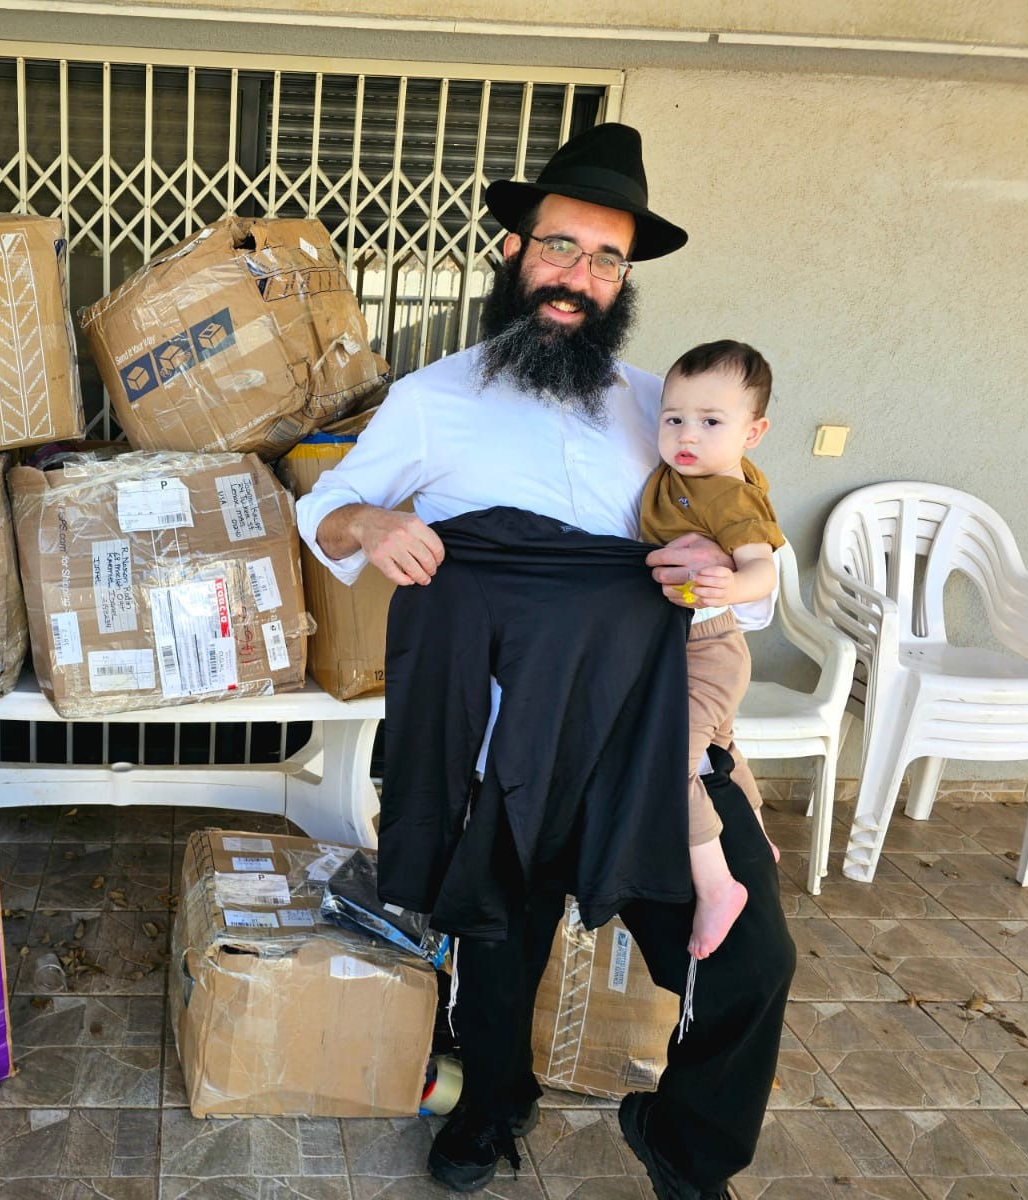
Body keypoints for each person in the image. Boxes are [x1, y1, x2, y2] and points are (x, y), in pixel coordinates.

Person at [296, 123, 797, 1200]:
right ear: (513, 251)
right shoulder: (435, 398)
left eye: (604, 260)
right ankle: (493, 1102)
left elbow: (745, 550)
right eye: (560, 248)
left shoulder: (666, 405)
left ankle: (683, 1141)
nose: (578, 277)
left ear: (624, 280)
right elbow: (321, 512)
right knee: (499, 943)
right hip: (497, 731)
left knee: (750, 957)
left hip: (646, 734)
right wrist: (375, 524)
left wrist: (721, 566)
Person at [639, 340, 786, 961]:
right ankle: (757, 834)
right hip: (690, 643)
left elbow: (764, 570)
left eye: (710, 422)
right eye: (673, 418)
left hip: (706, 647)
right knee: (720, 744)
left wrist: (733, 581)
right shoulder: (692, 477)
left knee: (670, 759)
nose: (686, 435)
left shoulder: (729, 494)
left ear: (753, 432)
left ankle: (717, 884)